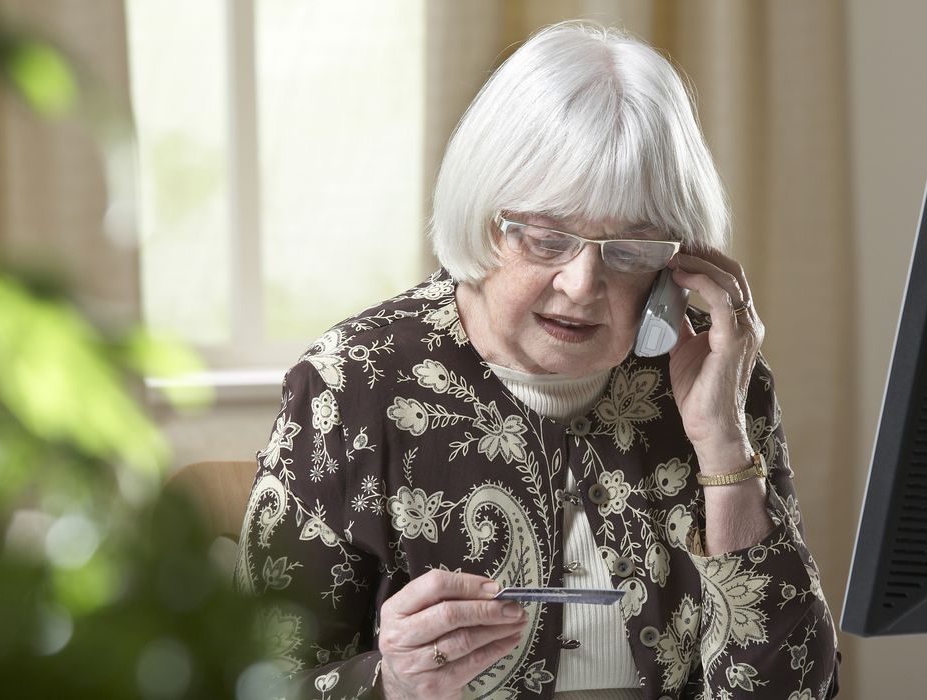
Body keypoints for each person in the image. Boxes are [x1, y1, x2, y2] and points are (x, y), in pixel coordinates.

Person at [235, 21, 838, 700]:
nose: (583, 286)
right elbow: (255, 682)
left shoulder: (712, 369)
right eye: (549, 239)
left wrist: (722, 441)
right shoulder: (350, 384)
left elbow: (792, 690)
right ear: (483, 217)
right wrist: (389, 683)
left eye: (631, 249)